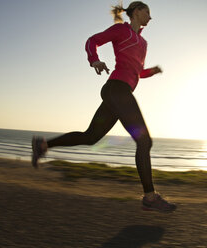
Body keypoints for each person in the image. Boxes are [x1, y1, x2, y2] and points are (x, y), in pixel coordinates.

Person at [32, 1, 176, 212]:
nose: (150, 17)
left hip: (120, 93)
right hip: (116, 89)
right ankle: (150, 197)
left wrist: (150, 72)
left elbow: (137, 71)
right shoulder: (122, 30)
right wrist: (94, 60)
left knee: (91, 137)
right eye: (147, 12)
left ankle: (43, 145)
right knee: (144, 141)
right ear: (136, 12)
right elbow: (93, 41)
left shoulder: (143, 43)